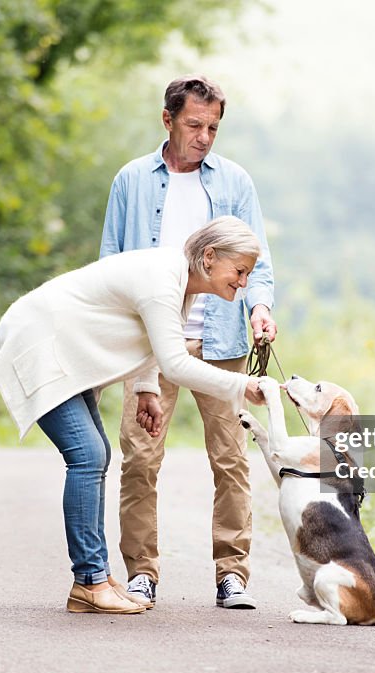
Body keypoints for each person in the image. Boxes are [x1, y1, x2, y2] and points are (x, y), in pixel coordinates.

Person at [0, 218, 266, 615]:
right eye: (240, 271)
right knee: (87, 456)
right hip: (43, 344)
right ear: (209, 257)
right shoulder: (163, 280)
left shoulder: (177, 280)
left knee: (95, 454)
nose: (243, 283)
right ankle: (88, 581)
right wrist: (242, 387)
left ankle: (96, 576)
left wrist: (146, 389)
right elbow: (176, 363)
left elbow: (151, 341)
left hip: (69, 351)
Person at [100, 74, 277, 609]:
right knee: (140, 456)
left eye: (214, 128)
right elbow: (112, 260)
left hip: (220, 339)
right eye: (195, 125)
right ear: (168, 119)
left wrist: (259, 307)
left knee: (230, 459)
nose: (204, 136)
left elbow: (258, 259)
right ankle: (141, 574)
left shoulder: (235, 182)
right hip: (151, 341)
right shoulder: (131, 181)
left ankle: (233, 575)